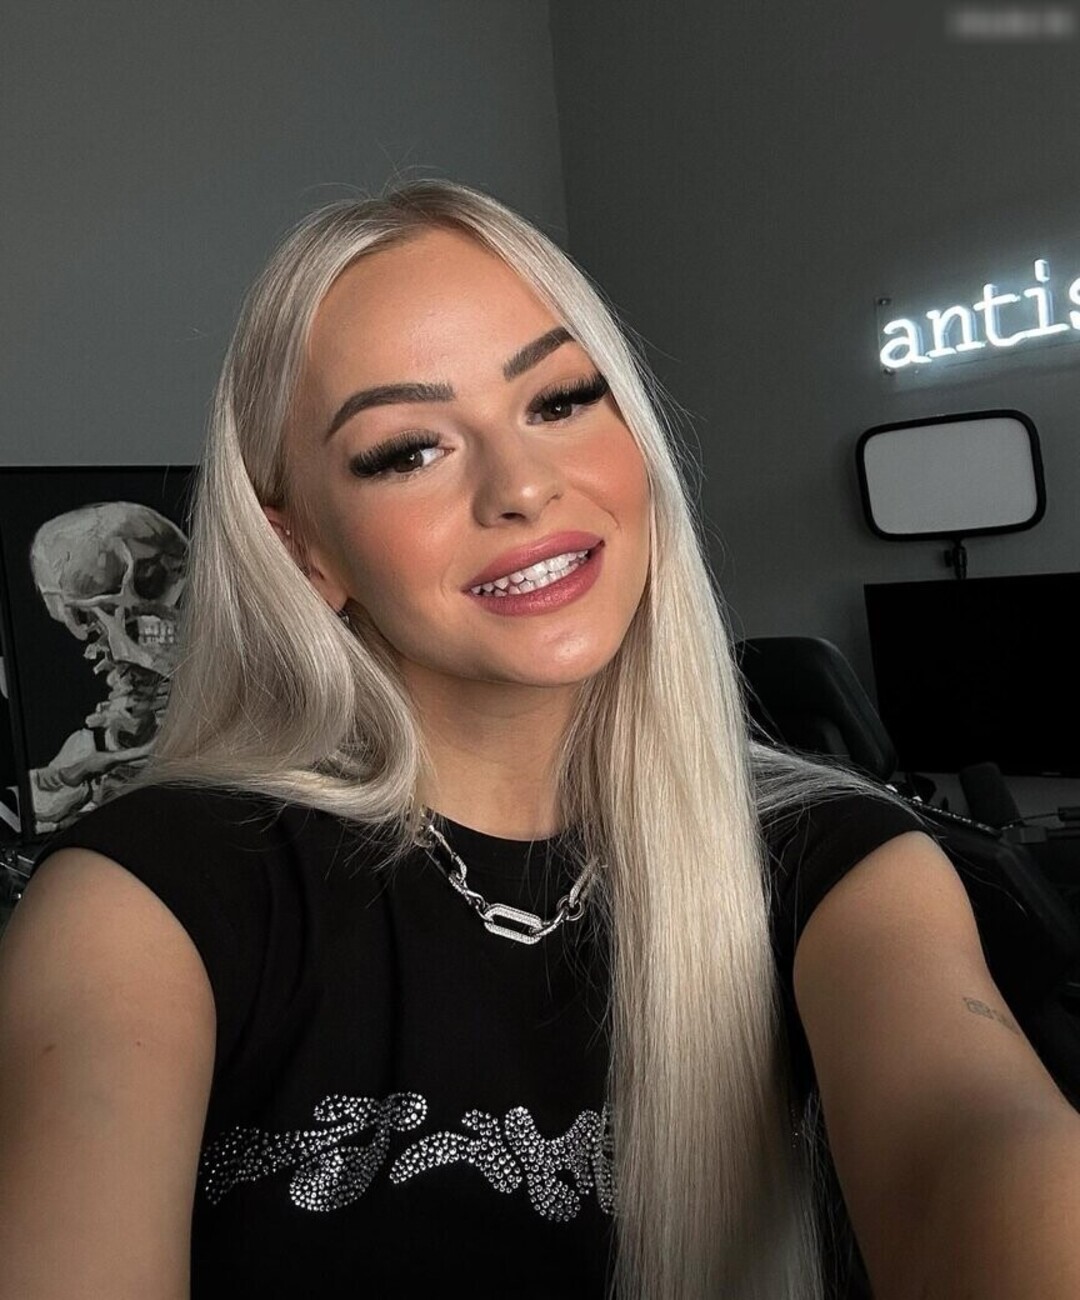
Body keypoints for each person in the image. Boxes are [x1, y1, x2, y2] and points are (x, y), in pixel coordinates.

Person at [0, 181, 1078, 1300]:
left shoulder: (842, 865)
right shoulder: (146, 902)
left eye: (560, 399)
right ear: (304, 551)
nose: (521, 486)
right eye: (407, 450)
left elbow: (970, 1148)